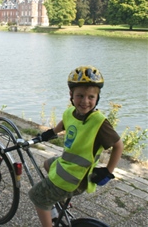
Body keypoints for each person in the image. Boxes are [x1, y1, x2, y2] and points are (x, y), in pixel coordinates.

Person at [28, 65, 123, 227]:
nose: (85, 101)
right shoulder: (71, 112)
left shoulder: (99, 122)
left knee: (37, 196)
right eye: (80, 96)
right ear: (71, 95)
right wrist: (48, 134)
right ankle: (60, 201)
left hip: (76, 177)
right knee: (47, 163)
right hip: (68, 165)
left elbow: (118, 145)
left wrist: (108, 172)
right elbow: (65, 122)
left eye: (91, 97)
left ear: (97, 98)